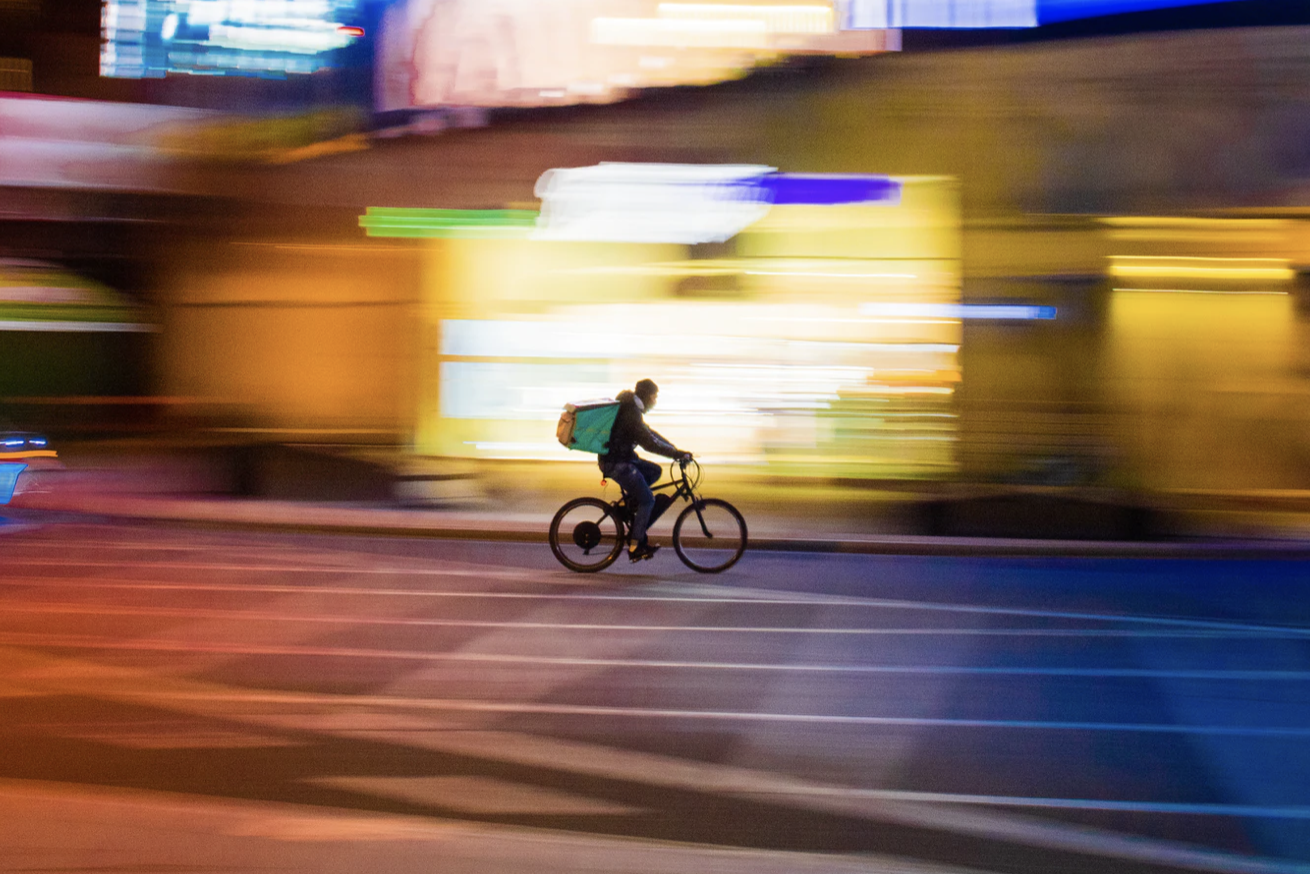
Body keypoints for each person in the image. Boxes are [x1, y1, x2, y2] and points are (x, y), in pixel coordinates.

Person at [598, 378, 691, 561]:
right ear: (648, 396)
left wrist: (675, 450)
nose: (655, 402)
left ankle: (628, 507)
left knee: (654, 471)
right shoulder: (631, 412)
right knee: (648, 500)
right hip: (617, 463)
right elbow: (649, 443)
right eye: (655, 398)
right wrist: (675, 454)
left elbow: (650, 433)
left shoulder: (632, 408)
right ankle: (635, 546)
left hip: (623, 459)